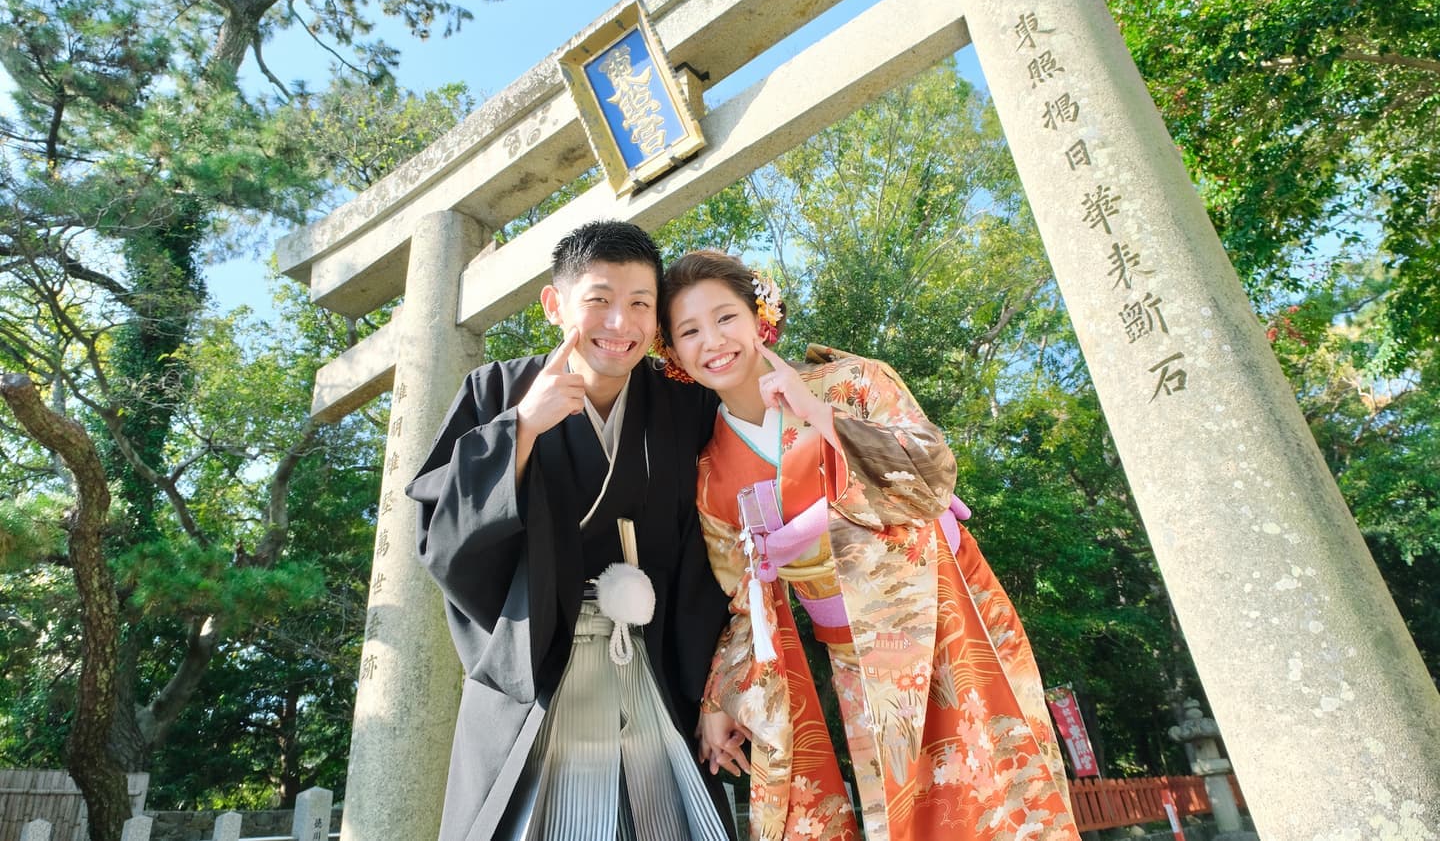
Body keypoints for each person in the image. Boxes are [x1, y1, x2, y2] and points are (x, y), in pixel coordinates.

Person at [658, 250, 1080, 841]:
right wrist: (718, 699)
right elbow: (743, 600)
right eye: (690, 331)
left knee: (1000, 790)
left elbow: (931, 480)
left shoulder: (854, 382)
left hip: (945, 615)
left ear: (761, 315)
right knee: (902, 809)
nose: (713, 341)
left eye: (726, 317)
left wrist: (820, 415)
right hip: (854, 654)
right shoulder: (711, 472)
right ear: (673, 356)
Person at [407, 222, 734, 841]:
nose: (621, 322)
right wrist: (521, 430)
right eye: (600, 300)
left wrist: (717, 692)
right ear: (555, 305)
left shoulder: (684, 405)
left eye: (640, 303)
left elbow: (720, 548)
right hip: (538, 670)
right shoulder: (497, 393)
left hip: (656, 664)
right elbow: (439, 535)